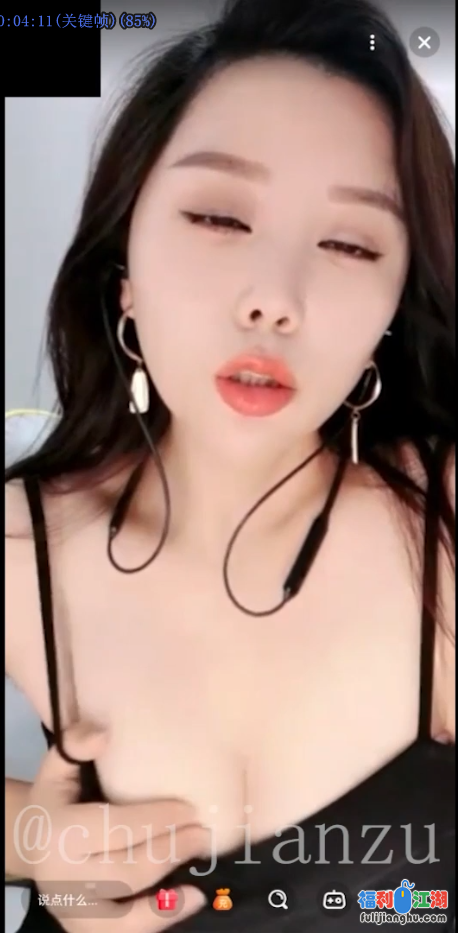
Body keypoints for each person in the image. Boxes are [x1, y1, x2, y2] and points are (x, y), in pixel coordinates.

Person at [5, 0, 455, 930]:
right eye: (218, 216)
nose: (274, 300)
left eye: (349, 243)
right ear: (124, 269)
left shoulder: (443, 528)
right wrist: (29, 841)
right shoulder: (21, 543)